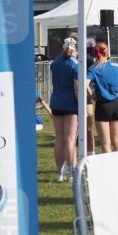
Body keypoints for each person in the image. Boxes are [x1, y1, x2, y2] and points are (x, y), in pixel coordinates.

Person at [88, 41, 118, 153]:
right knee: (117, 142)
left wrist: (91, 95)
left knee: (106, 143)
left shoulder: (94, 68)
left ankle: (109, 169)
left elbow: (85, 84)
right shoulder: (117, 66)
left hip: (102, 106)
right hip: (115, 105)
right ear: (107, 52)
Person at [50, 37, 79, 181]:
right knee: (70, 139)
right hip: (70, 104)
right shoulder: (75, 64)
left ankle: (60, 173)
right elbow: (76, 88)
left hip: (56, 102)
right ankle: (73, 171)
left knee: (59, 139)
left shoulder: (55, 62)